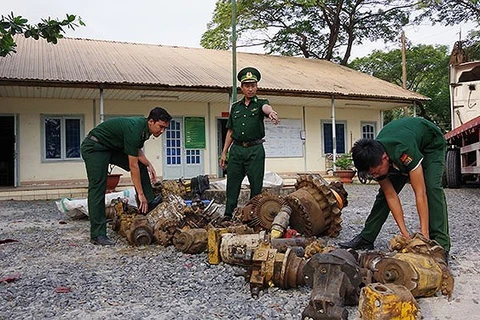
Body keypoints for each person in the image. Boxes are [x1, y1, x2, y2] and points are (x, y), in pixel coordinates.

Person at [339, 117, 451, 255]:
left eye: (376, 172)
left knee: (432, 187)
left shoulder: (403, 151)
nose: (375, 176)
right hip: (401, 150)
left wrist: (424, 234)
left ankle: (441, 244)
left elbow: (420, 193)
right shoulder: (374, 158)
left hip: (430, 144)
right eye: (372, 174)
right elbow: (391, 196)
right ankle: (367, 237)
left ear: (385, 157)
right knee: (383, 197)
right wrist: (405, 234)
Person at [81, 107, 172, 245]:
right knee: (98, 187)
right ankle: (97, 234)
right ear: (151, 121)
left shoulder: (144, 129)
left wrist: (148, 164)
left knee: (141, 165)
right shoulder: (135, 129)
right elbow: (132, 166)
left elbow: (135, 149)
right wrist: (139, 193)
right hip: (95, 147)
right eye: (160, 127)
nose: (162, 131)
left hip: (110, 148)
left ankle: (149, 202)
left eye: (165, 128)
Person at [219, 67, 279, 220]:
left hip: (255, 150)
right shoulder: (235, 108)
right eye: (247, 86)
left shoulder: (261, 103)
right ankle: (228, 213)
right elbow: (230, 131)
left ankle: (253, 214)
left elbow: (266, 108)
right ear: (242, 88)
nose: (250, 89)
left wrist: (271, 112)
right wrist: (224, 152)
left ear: (257, 87)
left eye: (253, 85)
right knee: (232, 182)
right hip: (237, 150)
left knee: (256, 185)